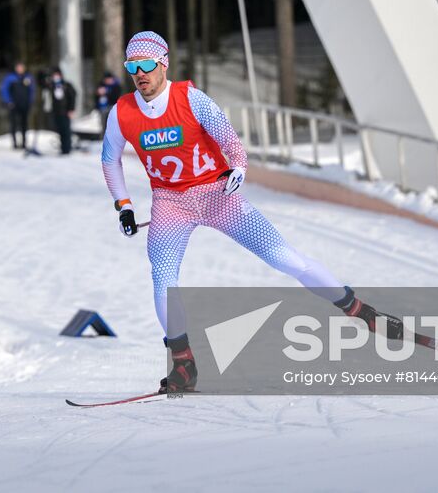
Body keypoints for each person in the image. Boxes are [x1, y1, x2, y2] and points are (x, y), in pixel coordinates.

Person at [100, 30, 374, 393]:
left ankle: (355, 307)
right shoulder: (123, 112)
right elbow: (109, 159)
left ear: (164, 64)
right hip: (171, 203)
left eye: (147, 64)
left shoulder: (192, 99)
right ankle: (183, 365)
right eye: (132, 66)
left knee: (284, 258)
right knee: (163, 279)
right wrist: (124, 206)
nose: (140, 73)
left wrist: (239, 168)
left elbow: (231, 142)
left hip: (217, 195)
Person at [0, 62, 34, 150]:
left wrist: (30, 102)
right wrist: (8, 101)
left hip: (25, 104)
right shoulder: (10, 78)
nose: (20, 69)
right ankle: (14, 143)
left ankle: (23, 143)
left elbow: (32, 91)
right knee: (14, 124)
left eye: (21, 67)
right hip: (13, 104)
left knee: (24, 124)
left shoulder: (28, 77)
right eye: (18, 67)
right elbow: (4, 90)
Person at [44, 66, 77, 155]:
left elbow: (73, 97)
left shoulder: (67, 85)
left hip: (66, 111)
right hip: (56, 111)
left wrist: (71, 109)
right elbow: (42, 83)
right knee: (60, 130)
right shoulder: (51, 85)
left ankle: (67, 148)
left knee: (66, 130)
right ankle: (63, 148)